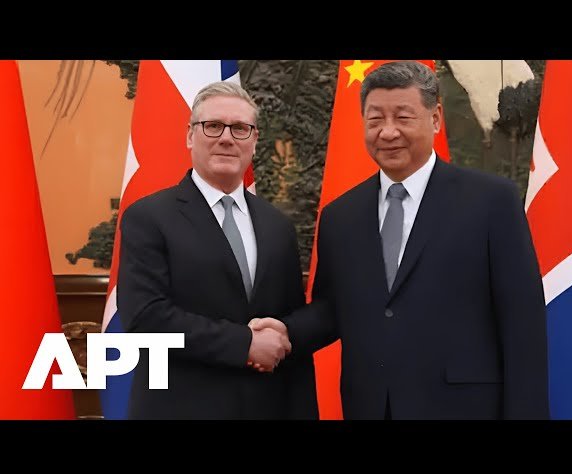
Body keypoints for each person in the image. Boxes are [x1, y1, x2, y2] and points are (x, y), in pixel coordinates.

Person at [251, 61, 549, 419]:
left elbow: (522, 325)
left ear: (435, 118)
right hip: (372, 407)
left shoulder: (491, 201)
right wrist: (286, 331)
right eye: (375, 119)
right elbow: (333, 309)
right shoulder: (340, 216)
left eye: (403, 117)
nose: (388, 132)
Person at [117, 81, 318, 419]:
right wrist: (244, 344)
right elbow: (145, 317)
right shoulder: (148, 217)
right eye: (212, 126)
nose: (226, 138)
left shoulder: (277, 226)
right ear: (190, 136)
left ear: (254, 141)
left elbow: (286, 320)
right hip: (181, 409)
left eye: (240, 128)